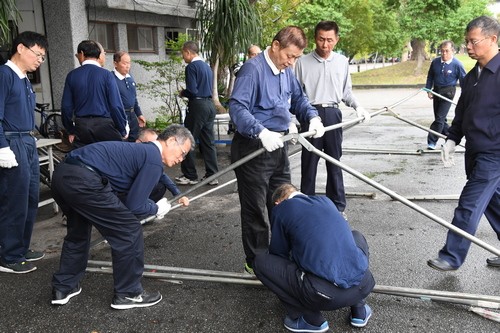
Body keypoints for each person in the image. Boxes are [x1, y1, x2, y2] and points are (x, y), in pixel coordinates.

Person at [50, 124, 194, 309]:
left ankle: (63, 288)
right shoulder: (153, 158)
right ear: (172, 140)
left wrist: (155, 204)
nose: (181, 159)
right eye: (182, 153)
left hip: (63, 175)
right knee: (129, 231)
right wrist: (155, 208)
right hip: (86, 181)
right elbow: (135, 205)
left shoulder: (141, 151)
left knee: (78, 232)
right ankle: (128, 293)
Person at [229, 26, 325, 274]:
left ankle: (281, 254)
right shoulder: (253, 70)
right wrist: (260, 131)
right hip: (254, 145)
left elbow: (299, 98)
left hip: (278, 145)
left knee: (284, 201)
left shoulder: (286, 71)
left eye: (295, 58)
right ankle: (258, 263)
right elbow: (237, 107)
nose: (291, 62)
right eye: (289, 56)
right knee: (256, 209)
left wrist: (312, 117)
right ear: (275, 46)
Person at [427, 16, 500, 271]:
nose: (467, 47)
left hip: (494, 154)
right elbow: (462, 114)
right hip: (475, 151)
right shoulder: (471, 77)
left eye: (473, 41)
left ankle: (451, 255)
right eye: (466, 41)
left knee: (469, 204)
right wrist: (451, 138)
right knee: (493, 201)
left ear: (493, 39)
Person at [254, 184, 375, 332]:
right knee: (356, 236)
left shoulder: (281, 209)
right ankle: (359, 309)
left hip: (324, 295)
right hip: (365, 285)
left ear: (278, 202)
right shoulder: (325, 200)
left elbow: (278, 254)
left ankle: (310, 319)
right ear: (299, 193)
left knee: (260, 263)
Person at [294, 21, 371, 215]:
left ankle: (337, 207)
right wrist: (292, 121)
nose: (325, 44)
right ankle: (307, 206)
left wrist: (358, 107)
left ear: (337, 39)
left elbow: (346, 92)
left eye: (329, 40)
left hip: (333, 114)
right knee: (309, 163)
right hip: (310, 115)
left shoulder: (342, 62)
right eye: (321, 39)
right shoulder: (302, 63)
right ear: (315, 39)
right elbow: (295, 94)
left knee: (334, 161)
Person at [0, 31, 48, 274]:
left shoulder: (24, 79)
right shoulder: (4, 75)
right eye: (37, 54)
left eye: (42, 57)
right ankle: (8, 255)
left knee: (30, 197)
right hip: (12, 142)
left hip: (27, 142)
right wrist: (2, 147)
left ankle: (21, 246)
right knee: (13, 200)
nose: (40, 60)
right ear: (21, 48)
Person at [61, 40, 128, 149]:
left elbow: (66, 107)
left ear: (82, 54)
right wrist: (122, 129)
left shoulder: (72, 75)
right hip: (105, 126)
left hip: (82, 127)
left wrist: (70, 130)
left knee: (85, 161)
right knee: (109, 160)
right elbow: (116, 105)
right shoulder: (106, 75)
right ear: (98, 54)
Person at [175, 41, 219, 186]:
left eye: (183, 54)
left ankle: (190, 175)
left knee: (187, 139)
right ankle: (212, 175)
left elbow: (193, 90)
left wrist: (183, 92)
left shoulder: (191, 67)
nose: (183, 57)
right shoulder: (207, 67)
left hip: (198, 106)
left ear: (188, 52)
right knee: (208, 142)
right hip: (209, 105)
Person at [424, 40, 466, 150]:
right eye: (442, 51)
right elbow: (430, 76)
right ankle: (450, 139)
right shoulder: (435, 62)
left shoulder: (457, 65)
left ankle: (431, 141)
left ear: (452, 51)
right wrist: (428, 90)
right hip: (436, 91)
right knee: (441, 120)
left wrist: (466, 95)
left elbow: (464, 82)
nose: (444, 54)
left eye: (447, 51)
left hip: (448, 93)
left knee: (439, 119)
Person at [137, 128, 189, 206]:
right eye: (151, 144)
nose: (155, 149)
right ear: (138, 143)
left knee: (160, 186)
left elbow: (163, 176)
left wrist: (178, 195)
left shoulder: (154, 161)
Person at [113, 51, 146, 142]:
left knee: (134, 139)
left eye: (129, 63)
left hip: (132, 115)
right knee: (122, 142)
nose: (128, 66)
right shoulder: (111, 79)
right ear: (115, 63)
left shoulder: (129, 77)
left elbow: (134, 98)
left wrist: (139, 114)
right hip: (120, 116)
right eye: (124, 63)